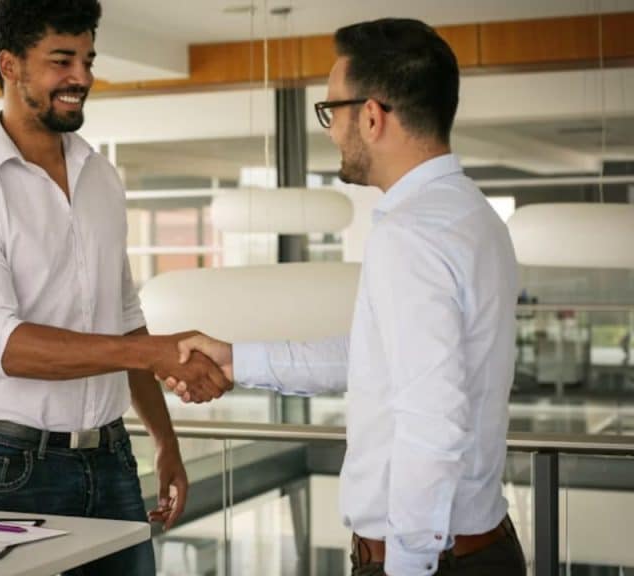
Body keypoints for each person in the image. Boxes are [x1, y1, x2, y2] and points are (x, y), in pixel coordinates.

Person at [167, 18, 527, 576]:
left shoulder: (410, 233)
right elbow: (379, 358)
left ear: (372, 116)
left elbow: (431, 415)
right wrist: (237, 360)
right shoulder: (473, 216)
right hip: (475, 549)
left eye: (331, 110)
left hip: (428, 561)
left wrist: (407, 566)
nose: (331, 130)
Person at [0, 1, 229, 574]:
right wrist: (151, 352)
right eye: (62, 60)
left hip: (112, 459)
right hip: (12, 470)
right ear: (9, 65)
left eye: (88, 60)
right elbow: (5, 346)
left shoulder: (100, 177)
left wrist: (165, 441)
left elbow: (126, 320)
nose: (81, 77)